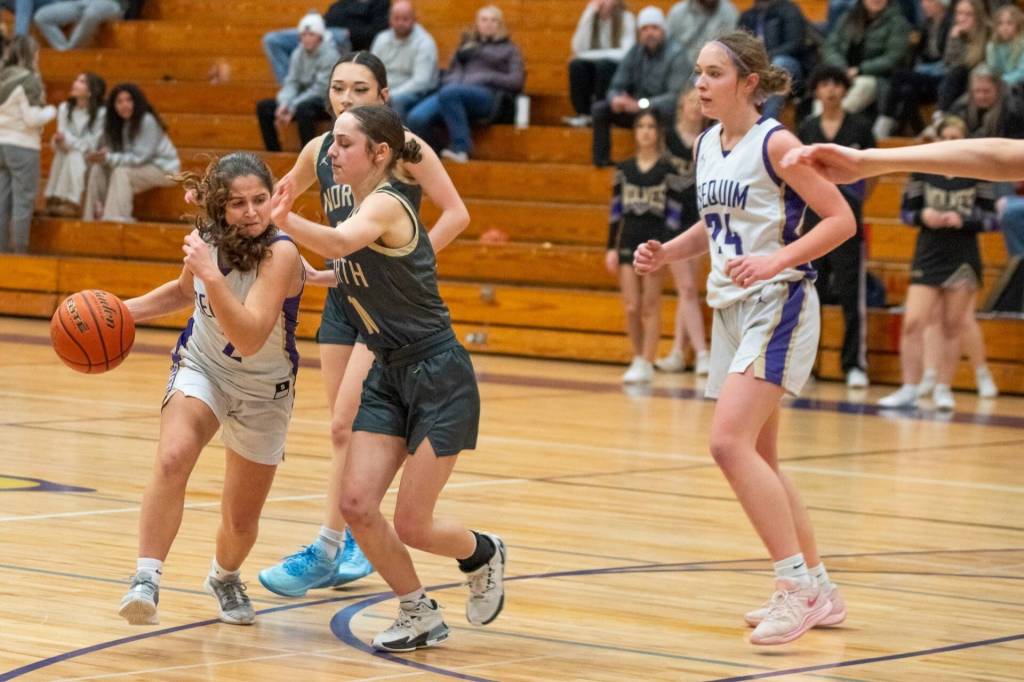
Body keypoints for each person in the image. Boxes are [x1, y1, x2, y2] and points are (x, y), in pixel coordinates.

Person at [634, 31, 855, 645]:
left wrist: (777, 260)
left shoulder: (777, 142)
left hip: (778, 303)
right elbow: (715, 229)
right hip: (730, 308)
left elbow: (841, 220)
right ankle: (820, 588)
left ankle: (797, 588)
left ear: (749, 83)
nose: (699, 84)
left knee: (728, 445)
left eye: (712, 74)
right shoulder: (707, 142)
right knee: (762, 459)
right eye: (697, 74)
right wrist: (665, 252)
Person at [271, 104, 505, 653]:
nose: (331, 152)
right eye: (331, 143)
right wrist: (323, 276)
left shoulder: (385, 201)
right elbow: (357, 261)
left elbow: (339, 242)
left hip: (437, 372)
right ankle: (418, 610)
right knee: (356, 505)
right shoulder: (359, 206)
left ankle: (481, 552)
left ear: (379, 153)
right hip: (387, 367)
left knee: (413, 524)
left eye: (344, 144)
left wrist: (286, 221)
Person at [257, 51, 469, 599]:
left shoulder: (407, 149)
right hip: (342, 297)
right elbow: (273, 201)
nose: (346, 99)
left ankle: (339, 540)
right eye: (337, 88)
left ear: (383, 96)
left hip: (388, 303)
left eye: (359, 89)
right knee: (338, 428)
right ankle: (342, 538)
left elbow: (456, 213)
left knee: (351, 420)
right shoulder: (320, 150)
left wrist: (411, 261)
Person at [117, 152, 305, 626]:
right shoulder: (207, 240)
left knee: (240, 521)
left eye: (260, 200)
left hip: (265, 390)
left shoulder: (282, 253)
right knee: (173, 456)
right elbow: (184, 292)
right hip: (204, 366)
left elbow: (249, 335)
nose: (251, 212)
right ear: (220, 207)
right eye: (238, 203)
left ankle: (224, 576)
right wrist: (120, 311)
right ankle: (146, 577)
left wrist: (211, 273)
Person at [875, 115, 996, 410]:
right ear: (938, 139)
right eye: (946, 138)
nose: (951, 144)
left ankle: (943, 387)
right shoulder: (922, 171)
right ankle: (909, 387)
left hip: (963, 254)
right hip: (929, 251)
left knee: (952, 325)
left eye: (957, 139)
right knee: (913, 322)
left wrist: (963, 220)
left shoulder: (978, 173)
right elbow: (905, 213)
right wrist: (923, 216)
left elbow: (991, 219)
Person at [797, 64, 875, 388]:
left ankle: (853, 364)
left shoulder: (860, 127)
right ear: (816, 91)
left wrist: (852, 202)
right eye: (824, 84)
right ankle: (806, 365)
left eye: (836, 84)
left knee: (850, 295)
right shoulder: (806, 128)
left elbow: (871, 174)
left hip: (849, 224)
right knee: (808, 295)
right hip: (813, 224)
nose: (830, 90)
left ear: (845, 89)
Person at [606, 108, 683, 383]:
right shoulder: (623, 170)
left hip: (655, 242)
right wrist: (610, 247)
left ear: (658, 132)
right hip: (628, 240)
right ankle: (637, 357)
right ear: (635, 133)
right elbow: (615, 211)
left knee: (651, 304)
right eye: (641, 127)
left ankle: (648, 361)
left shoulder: (668, 170)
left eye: (651, 126)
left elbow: (674, 212)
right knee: (631, 305)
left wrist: (667, 247)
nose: (646, 131)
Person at [405, 4, 524, 163]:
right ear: (477, 23)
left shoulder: (509, 49)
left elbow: (516, 81)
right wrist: (451, 80)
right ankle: (434, 157)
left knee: (450, 93)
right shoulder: (466, 46)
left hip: (487, 95)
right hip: (452, 92)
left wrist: (487, 77)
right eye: (484, 20)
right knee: (416, 117)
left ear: (500, 25)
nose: (488, 23)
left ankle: (461, 148)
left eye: (493, 20)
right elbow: (452, 71)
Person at [591, 5, 689, 167]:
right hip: (636, 108)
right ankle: (602, 163)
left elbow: (676, 96)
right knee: (600, 109)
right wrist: (616, 99)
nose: (649, 33)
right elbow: (615, 85)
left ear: (663, 30)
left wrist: (641, 104)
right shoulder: (635, 52)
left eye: (654, 28)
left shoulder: (677, 54)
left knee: (671, 111)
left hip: (663, 112)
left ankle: (666, 165)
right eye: (644, 29)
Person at [657, 87, 709, 374]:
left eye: (699, 103)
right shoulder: (667, 139)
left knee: (688, 290)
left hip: (698, 217)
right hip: (672, 219)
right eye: (690, 101)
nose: (695, 107)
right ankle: (702, 353)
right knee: (687, 288)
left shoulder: (708, 141)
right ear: (681, 105)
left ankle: (678, 351)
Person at [82, 82, 179, 222]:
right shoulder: (121, 124)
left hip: (165, 170)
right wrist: (103, 155)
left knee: (121, 172)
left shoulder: (147, 121)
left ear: (136, 101)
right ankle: (91, 219)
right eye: (119, 101)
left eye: (128, 100)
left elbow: (140, 158)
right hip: (140, 169)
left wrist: (109, 157)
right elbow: (119, 155)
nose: (124, 105)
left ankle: (115, 219)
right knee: (98, 169)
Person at [0, 35, 56, 253]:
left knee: (2, 201)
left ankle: (3, 254)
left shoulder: (3, 75)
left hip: (1, 144)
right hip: (22, 146)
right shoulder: (29, 79)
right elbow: (32, 118)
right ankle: (20, 253)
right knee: (23, 203)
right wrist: (53, 111)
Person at [256, 13, 340, 151]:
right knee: (264, 107)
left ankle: (308, 154)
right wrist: (284, 103)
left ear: (319, 37)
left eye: (311, 35)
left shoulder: (330, 55)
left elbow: (319, 89)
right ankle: (274, 152)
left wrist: (292, 105)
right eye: (303, 35)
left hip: (322, 102)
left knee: (304, 110)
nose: (306, 39)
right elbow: (292, 82)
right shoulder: (298, 53)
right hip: (301, 101)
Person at [873, 0, 952, 139]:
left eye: (929, 1)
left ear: (942, 4)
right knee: (907, 92)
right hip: (927, 73)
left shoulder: (951, 25)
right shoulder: (927, 24)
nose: (923, 5)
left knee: (899, 75)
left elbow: (949, 61)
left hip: (943, 77)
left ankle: (885, 119)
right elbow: (922, 54)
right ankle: (917, 132)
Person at [820, 0, 910, 115]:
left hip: (875, 77)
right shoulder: (848, 17)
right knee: (824, 85)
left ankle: (835, 123)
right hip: (841, 72)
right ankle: (817, 124)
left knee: (862, 85)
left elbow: (893, 58)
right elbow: (830, 46)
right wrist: (842, 68)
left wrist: (860, 70)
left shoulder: (898, 22)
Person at [564, 0, 636, 127]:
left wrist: (586, 55)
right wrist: (588, 13)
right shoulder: (591, 17)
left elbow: (625, 54)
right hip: (594, 71)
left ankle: (603, 113)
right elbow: (577, 47)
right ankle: (584, 114)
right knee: (576, 66)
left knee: (604, 65)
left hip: (616, 72)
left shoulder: (626, 18)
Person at [43, 71, 105, 216]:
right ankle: (54, 198)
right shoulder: (64, 108)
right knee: (65, 153)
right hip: (69, 154)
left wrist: (67, 141)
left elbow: (91, 145)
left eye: (82, 81)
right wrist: (58, 141)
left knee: (74, 155)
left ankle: (71, 201)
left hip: (92, 160)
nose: (75, 84)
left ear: (91, 91)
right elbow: (60, 140)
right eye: (76, 80)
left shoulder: (101, 113)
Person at [737, 0, 807, 119]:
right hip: (756, 65)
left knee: (778, 65)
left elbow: (795, 44)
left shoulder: (789, 10)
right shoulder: (748, 15)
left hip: (790, 65)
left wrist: (764, 58)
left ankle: (768, 123)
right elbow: (738, 46)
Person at [369, 0, 438, 119]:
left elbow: (421, 82)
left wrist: (391, 95)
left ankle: (399, 137)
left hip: (416, 93)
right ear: (390, 19)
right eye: (396, 18)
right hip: (384, 91)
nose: (400, 23)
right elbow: (370, 70)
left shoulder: (425, 43)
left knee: (398, 101)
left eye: (405, 19)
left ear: (414, 19)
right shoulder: (381, 38)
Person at [947, 64, 1024, 139]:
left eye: (986, 91)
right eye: (977, 91)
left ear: (998, 89)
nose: (981, 96)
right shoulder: (961, 107)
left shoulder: (1014, 110)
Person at [666, 0, 739, 67]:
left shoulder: (729, 11)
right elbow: (668, 45)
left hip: (715, 66)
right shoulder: (678, 11)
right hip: (680, 67)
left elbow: (731, 46)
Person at [33, 0, 126, 51]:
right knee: (41, 16)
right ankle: (63, 49)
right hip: (77, 3)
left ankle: (72, 50)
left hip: (108, 3)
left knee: (91, 13)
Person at [986, 5, 1024, 87]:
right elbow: (992, 70)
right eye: (1000, 23)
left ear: (1018, 25)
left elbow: (1022, 72)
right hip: (999, 87)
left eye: (1009, 23)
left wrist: (1001, 83)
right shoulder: (992, 46)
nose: (1004, 28)